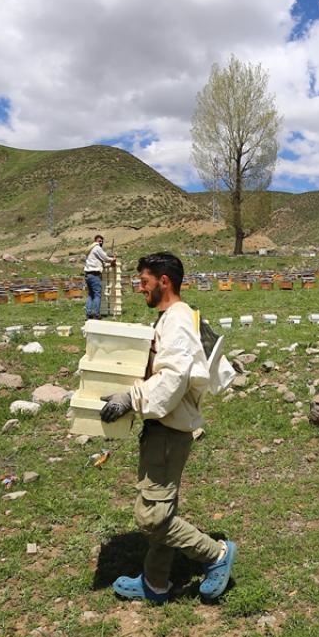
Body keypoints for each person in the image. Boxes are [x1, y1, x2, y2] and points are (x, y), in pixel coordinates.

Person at [99, 252, 236, 603]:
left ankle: (215, 555)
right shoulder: (172, 318)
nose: (139, 289)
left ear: (164, 281)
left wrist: (131, 398)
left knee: (151, 517)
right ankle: (156, 583)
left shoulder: (176, 321)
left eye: (144, 282)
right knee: (162, 508)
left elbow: (173, 377)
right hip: (166, 426)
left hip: (169, 430)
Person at [84, 235, 115, 320]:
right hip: (94, 275)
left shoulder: (90, 249)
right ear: (95, 241)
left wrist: (107, 263)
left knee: (91, 295)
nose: (101, 242)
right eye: (99, 240)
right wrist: (112, 259)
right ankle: (96, 314)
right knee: (97, 295)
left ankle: (88, 314)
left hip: (88, 275)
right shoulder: (97, 248)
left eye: (102, 241)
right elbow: (105, 258)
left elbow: (100, 262)